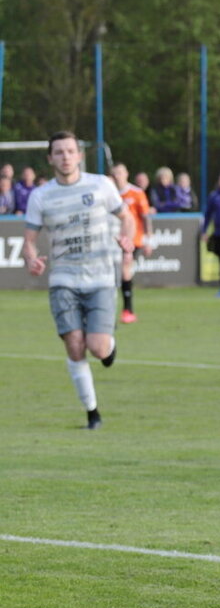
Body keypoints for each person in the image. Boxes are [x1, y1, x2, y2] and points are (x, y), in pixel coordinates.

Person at [21, 131, 135, 429]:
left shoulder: (100, 185)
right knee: (74, 344)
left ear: (80, 155)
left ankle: (108, 349)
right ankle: (92, 411)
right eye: (59, 152)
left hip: (100, 278)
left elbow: (127, 217)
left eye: (70, 151)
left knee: (98, 348)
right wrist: (31, 258)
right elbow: (29, 240)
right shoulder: (41, 196)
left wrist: (128, 240)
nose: (66, 157)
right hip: (63, 279)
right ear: (50, 159)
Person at [110, 163, 155, 324]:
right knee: (112, 274)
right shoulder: (108, 193)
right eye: (114, 173)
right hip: (111, 240)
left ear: (127, 174)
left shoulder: (136, 193)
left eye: (120, 173)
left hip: (132, 240)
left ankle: (128, 310)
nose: (117, 176)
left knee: (125, 269)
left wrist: (149, 240)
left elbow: (145, 217)